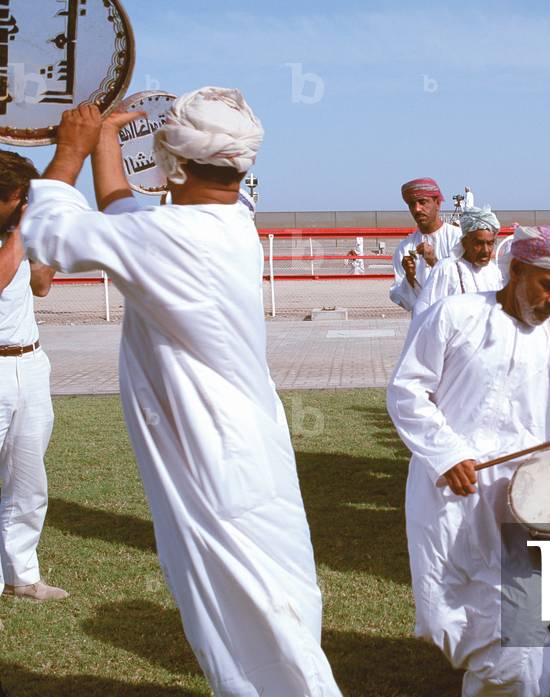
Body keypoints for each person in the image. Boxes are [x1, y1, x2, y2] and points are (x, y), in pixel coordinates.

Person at [20, 92, 343, 696]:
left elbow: (47, 236)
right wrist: (109, 141)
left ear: (171, 162)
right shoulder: (226, 220)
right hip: (239, 449)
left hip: (213, 455)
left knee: (259, 628)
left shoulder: (177, 236)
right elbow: (123, 218)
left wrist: (70, 151)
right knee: (270, 615)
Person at [388, 224, 550, 697]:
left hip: (532, 501)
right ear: (518, 270)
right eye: (548, 286)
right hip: (454, 495)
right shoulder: (453, 315)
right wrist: (447, 452)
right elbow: (407, 391)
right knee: (454, 608)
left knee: (518, 627)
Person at [0, 151, 64, 602]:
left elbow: (39, 286)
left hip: (31, 363)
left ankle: (22, 575)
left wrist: (50, 243)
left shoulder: (21, 237)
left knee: (28, 479)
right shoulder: (13, 238)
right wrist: (24, 230)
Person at [412, 206, 503, 317]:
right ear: (464, 242)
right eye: (478, 244)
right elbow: (423, 312)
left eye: (490, 243)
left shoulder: (493, 272)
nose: (486, 250)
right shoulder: (446, 269)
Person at [388, 177, 462, 311]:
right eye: (412, 204)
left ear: (438, 203)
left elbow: (466, 287)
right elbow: (400, 297)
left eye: (423, 202)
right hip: (423, 325)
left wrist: (435, 263)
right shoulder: (404, 248)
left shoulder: (458, 239)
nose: (417, 209)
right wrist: (409, 278)